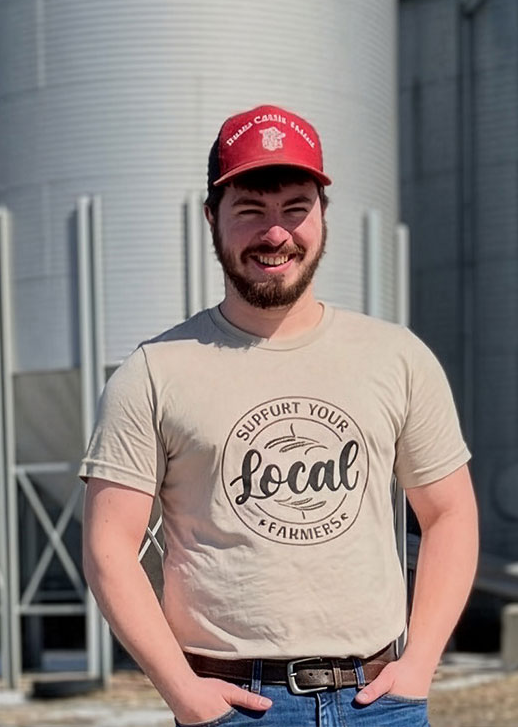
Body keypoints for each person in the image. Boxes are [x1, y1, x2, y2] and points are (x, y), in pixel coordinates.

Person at [80, 104, 479, 726]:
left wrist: (419, 664)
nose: (276, 234)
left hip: (379, 702)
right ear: (213, 217)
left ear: (322, 214)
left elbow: (449, 513)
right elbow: (109, 546)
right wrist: (186, 694)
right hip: (237, 707)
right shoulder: (155, 371)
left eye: (295, 208)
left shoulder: (396, 356)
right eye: (250, 211)